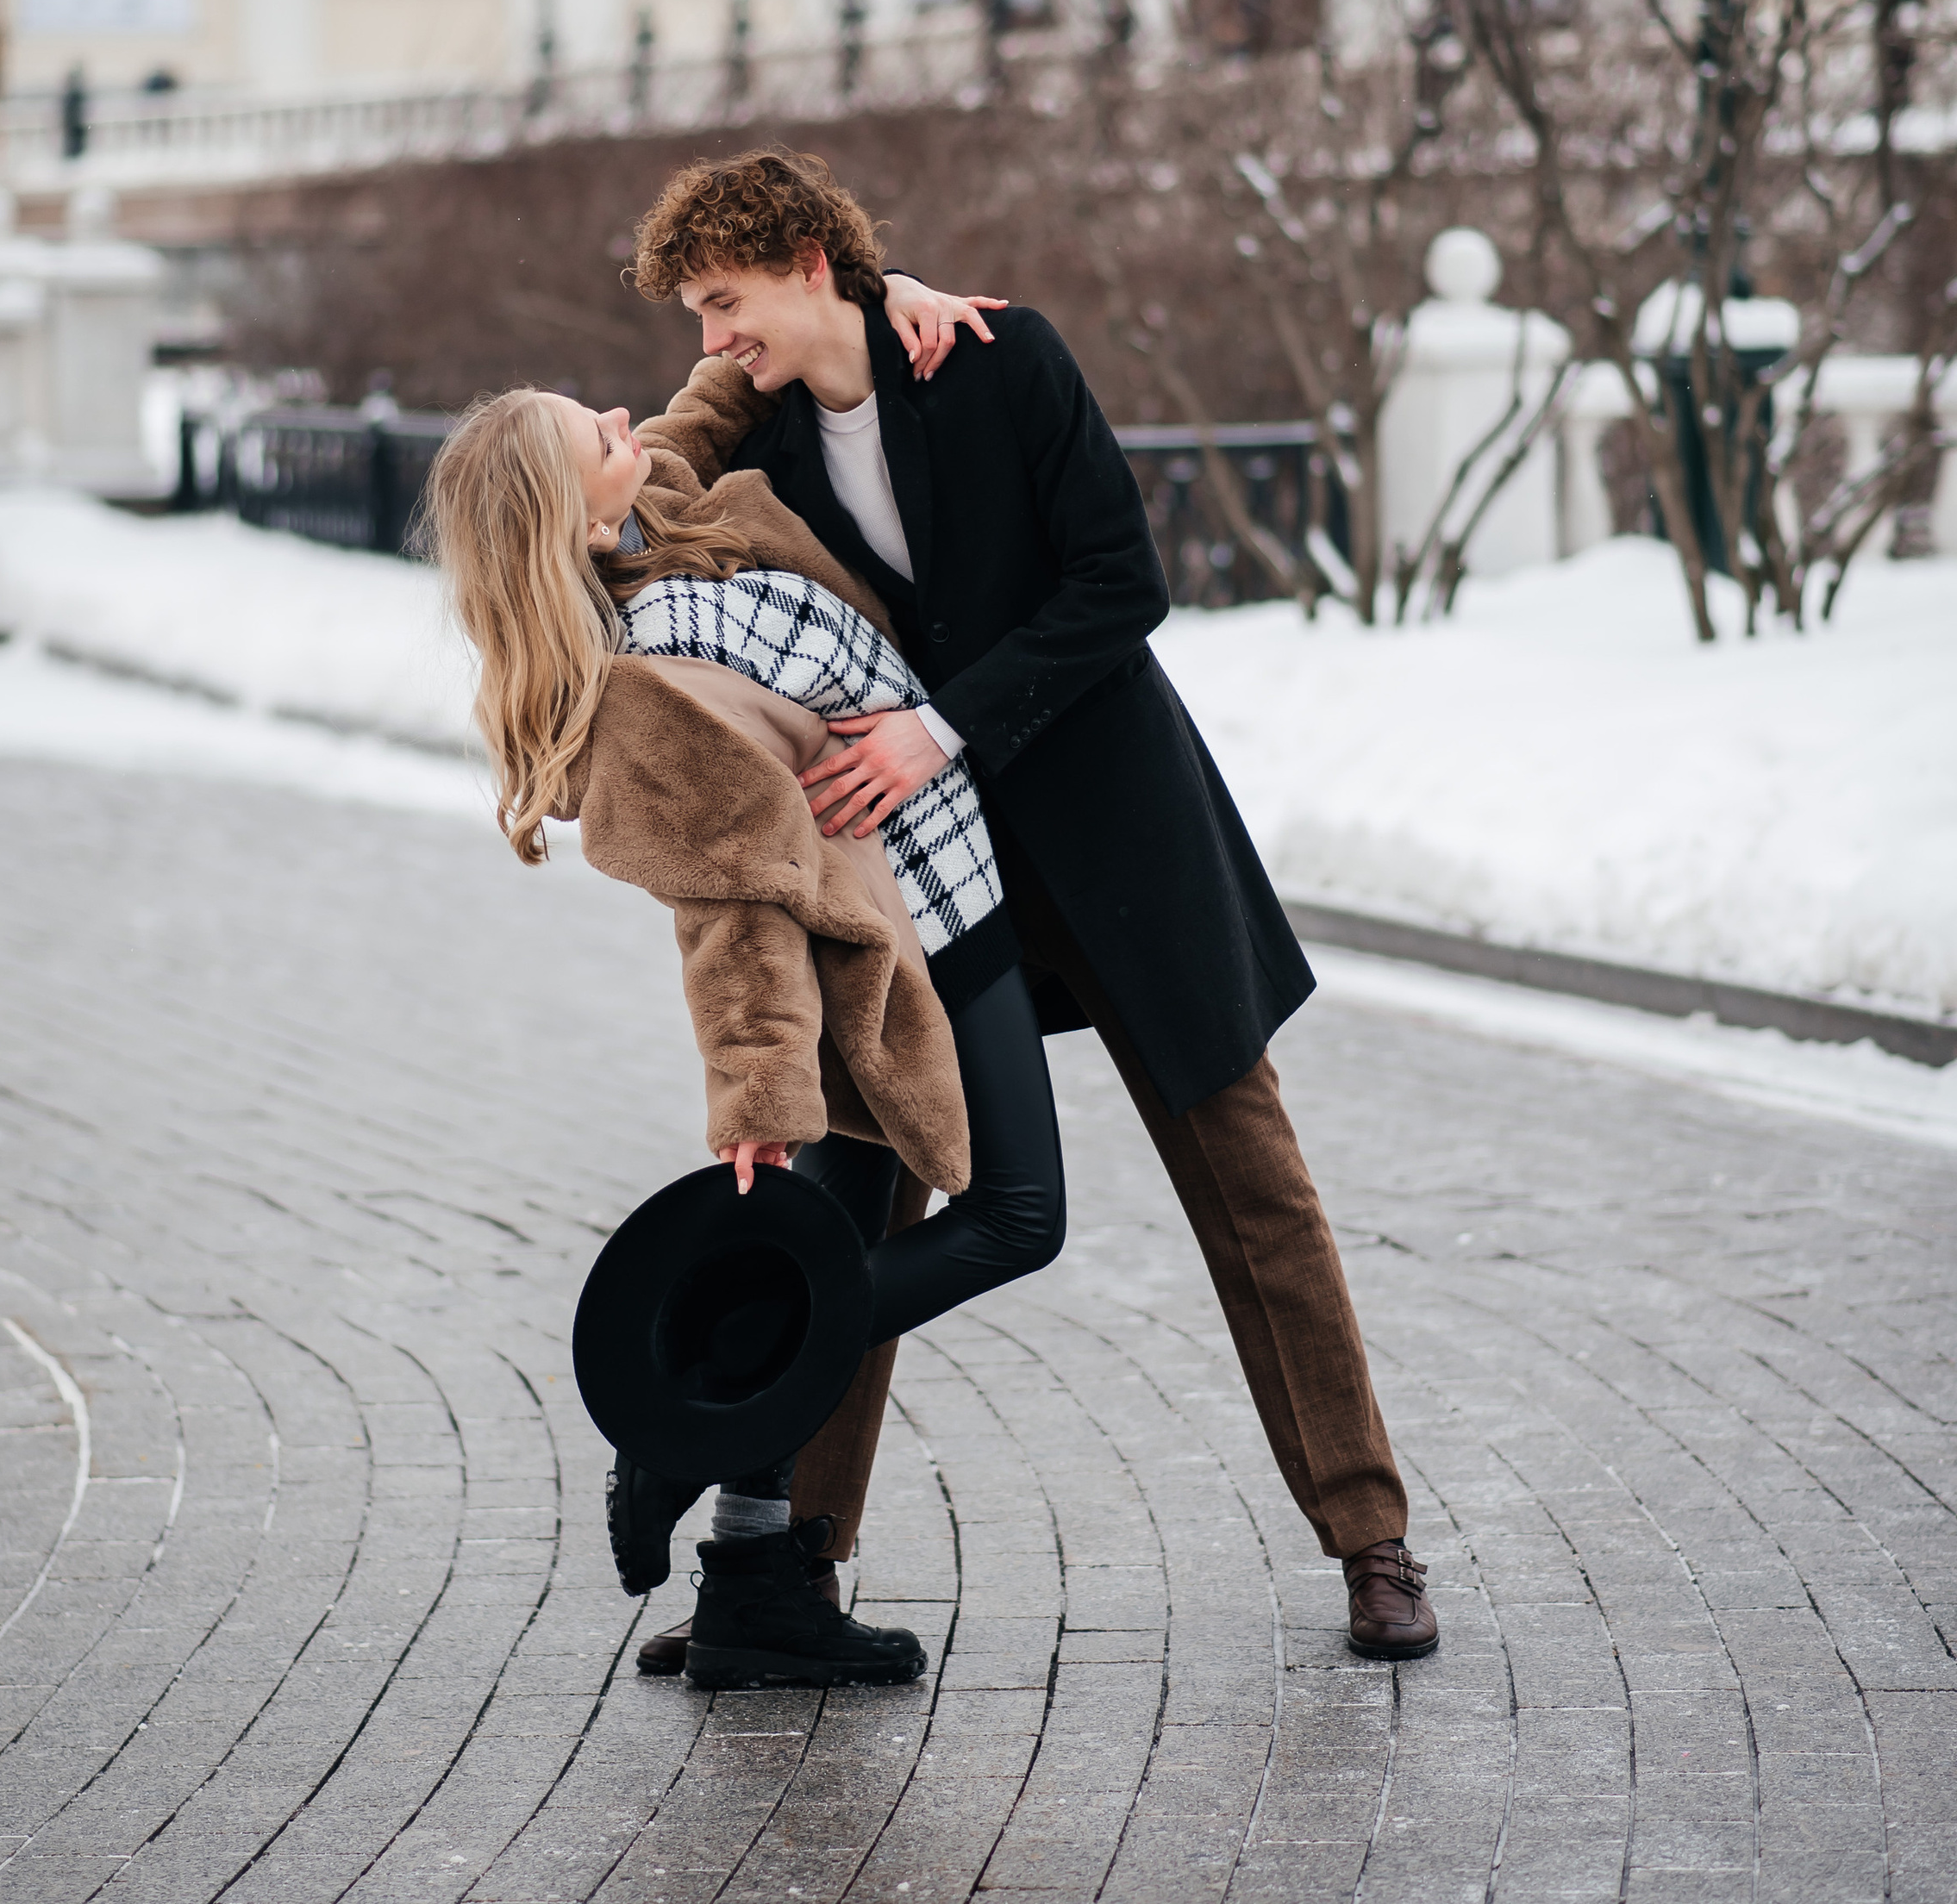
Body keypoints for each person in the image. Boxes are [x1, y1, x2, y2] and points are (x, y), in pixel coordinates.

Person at [628, 147, 1439, 1664]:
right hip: (927, 878)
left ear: (810, 257)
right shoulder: (760, 427)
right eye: (695, 311)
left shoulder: (1003, 364)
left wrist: (943, 722)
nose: (707, 335)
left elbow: (1120, 582)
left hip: (1120, 838)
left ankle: (1373, 1539)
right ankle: (791, 1565)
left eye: (725, 299)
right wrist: (793, 337)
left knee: (1252, 1182)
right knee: (861, 1191)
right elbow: (651, 468)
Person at [422, 382, 1067, 1689]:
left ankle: (756, 1582)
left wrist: (822, 315)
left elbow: (695, 416)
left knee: (825, 1248)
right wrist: (760, 1099)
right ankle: (680, 1429)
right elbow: (735, 912)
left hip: (931, 873)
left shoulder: (650, 514)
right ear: (565, 510)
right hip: (905, 927)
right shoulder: (653, 687)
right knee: (1018, 1215)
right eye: (597, 434)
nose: (625, 421)